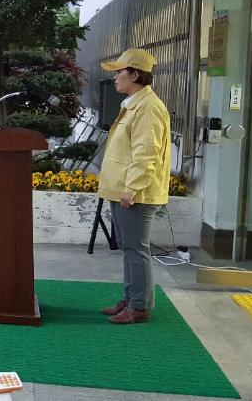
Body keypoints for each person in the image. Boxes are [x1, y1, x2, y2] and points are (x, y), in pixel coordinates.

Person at [97, 48, 171, 325]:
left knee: (137, 249)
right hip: (124, 189)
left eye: (120, 72)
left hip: (134, 193)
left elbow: (147, 153)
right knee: (130, 248)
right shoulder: (134, 103)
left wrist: (133, 188)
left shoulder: (148, 109)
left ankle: (139, 306)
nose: (115, 77)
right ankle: (131, 298)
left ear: (135, 75)